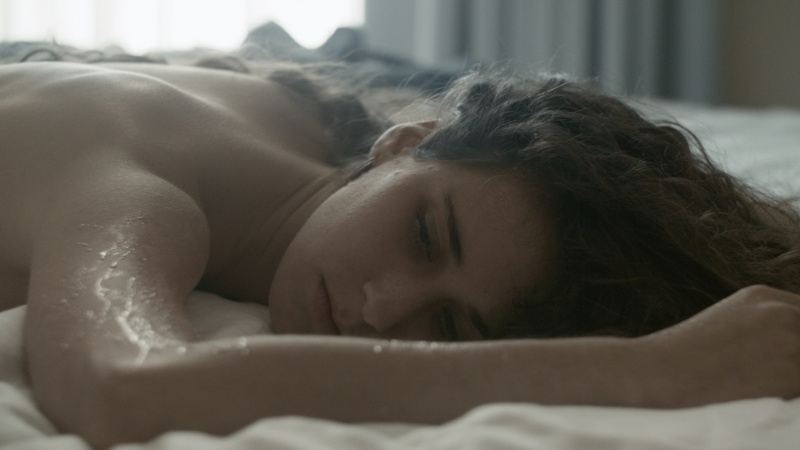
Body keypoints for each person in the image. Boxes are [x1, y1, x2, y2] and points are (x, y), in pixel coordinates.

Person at [1, 52, 799, 449]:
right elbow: (121, 388)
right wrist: (652, 371)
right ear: (405, 143)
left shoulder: (300, 118)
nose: (382, 310)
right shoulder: (139, 189)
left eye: (447, 327)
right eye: (424, 235)